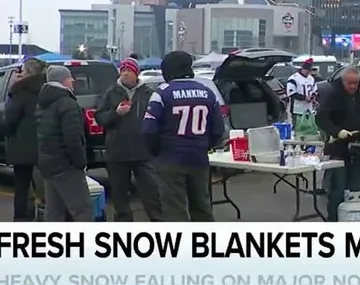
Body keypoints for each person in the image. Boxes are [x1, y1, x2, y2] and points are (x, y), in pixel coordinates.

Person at [142, 51, 224, 221]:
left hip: (170, 160)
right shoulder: (207, 92)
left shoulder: (162, 92)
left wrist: (157, 152)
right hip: (199, 159)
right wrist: (204, 145)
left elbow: (149, 129)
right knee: (202, 206)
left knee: (175, 210)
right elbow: (218, 130)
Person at [94, 57, 161, 221]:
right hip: (118, 151)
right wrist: (115, 114)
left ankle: (158, 221)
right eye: (122, 70)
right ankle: (124, 224)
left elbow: (158, 118)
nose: (125, 73)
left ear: (136, 73)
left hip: (143, 150)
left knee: (151, 191)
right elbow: (100, 118)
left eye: (129, 70)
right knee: (119, 193)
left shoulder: (148, 94)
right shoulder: (110, 93)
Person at [315, 67, 360, 221]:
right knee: (338, 189)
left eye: (356, 83)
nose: (353, 86)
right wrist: (337, 131)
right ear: (343, 81)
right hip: (338, 148)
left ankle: (353, 221)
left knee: (355, 189)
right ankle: (334, 221)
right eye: (350, 83)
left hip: (359, 146)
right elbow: (321, 118)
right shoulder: (333, 94)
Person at [37, 65, 93, 221]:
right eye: (70, 77)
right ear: (62, 80)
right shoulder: (67, 103)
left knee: (54, 210)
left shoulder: (44, 101)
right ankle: (86, 243)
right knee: (83, 209)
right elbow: (73, 138)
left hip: (49, 163)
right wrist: (80, 162)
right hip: (66, 165)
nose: (73, 80)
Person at [4, 58, 46, 221]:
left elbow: (11, 120)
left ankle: (22, 218)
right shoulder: (47, 89)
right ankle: (45, 215)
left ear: (27, 72)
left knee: (22, 185)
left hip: (22, 146)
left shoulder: (19, 92)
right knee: (44, 186)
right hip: (43, 145)